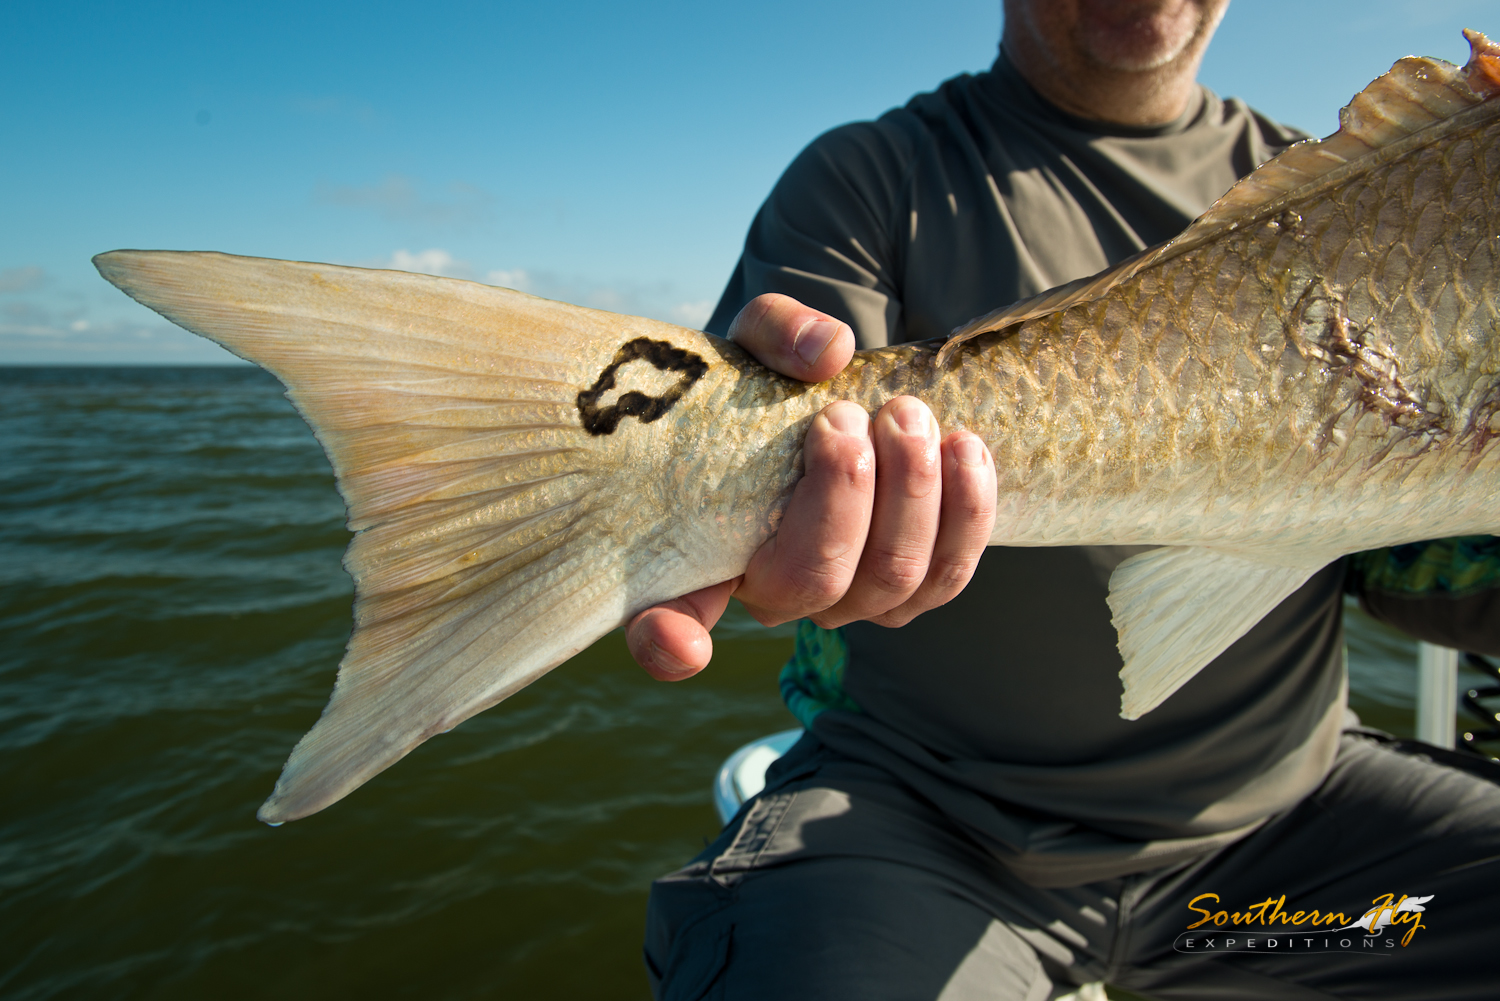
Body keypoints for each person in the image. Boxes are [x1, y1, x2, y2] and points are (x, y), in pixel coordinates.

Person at [631, 2, 1500, 997]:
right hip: (927, 821)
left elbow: (1410, 565)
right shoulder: (873, 171)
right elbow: (799, 451)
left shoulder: (1336, 178)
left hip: (1290, 844)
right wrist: (753, 494)